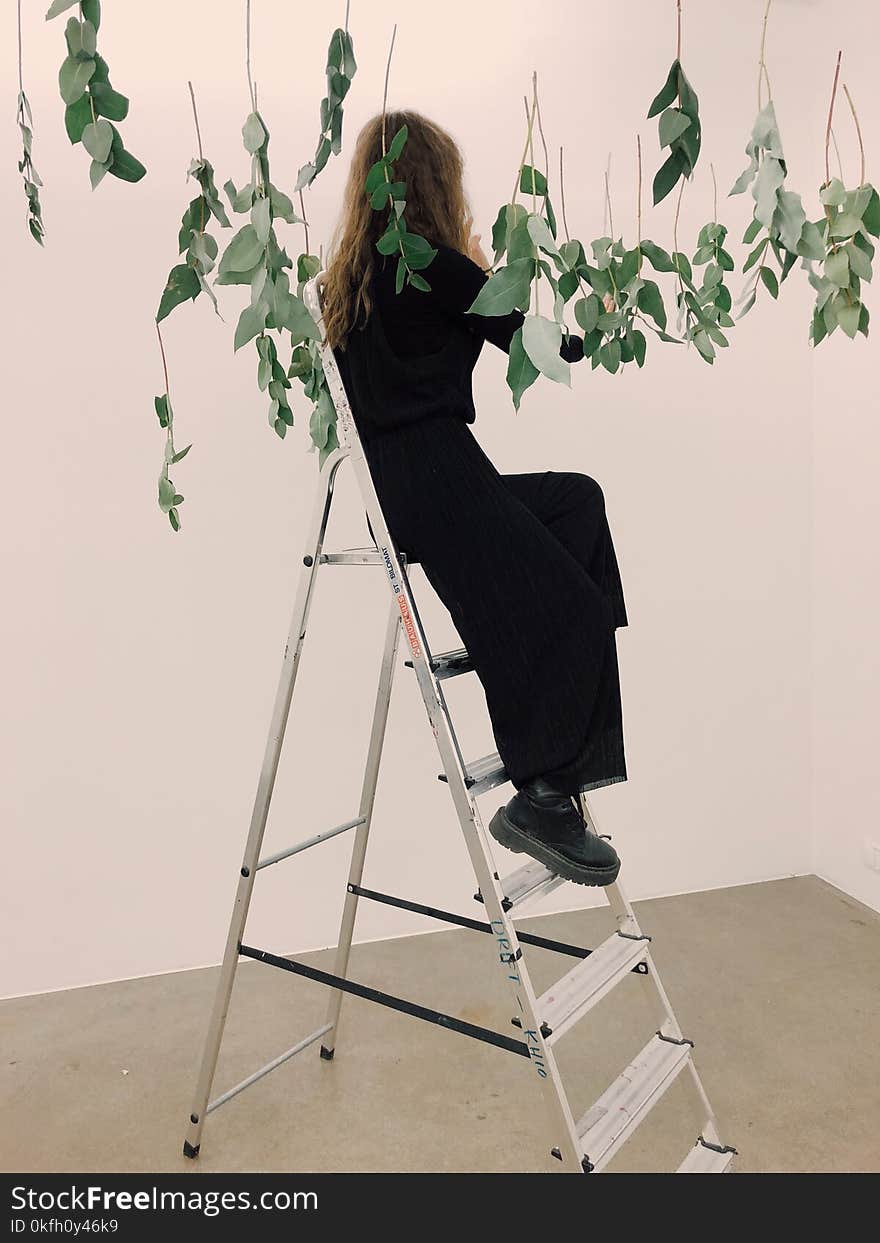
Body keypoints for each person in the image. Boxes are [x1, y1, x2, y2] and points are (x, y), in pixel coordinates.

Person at [321, 110, 628, 888]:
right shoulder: (435, 267)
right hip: (442, 474)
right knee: (577, 608)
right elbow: (539, 340)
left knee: (576, 503)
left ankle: (563, 744)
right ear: (434, 184)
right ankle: (544, 794)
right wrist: (600, 318)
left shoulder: (351, 279)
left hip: (402, 489)